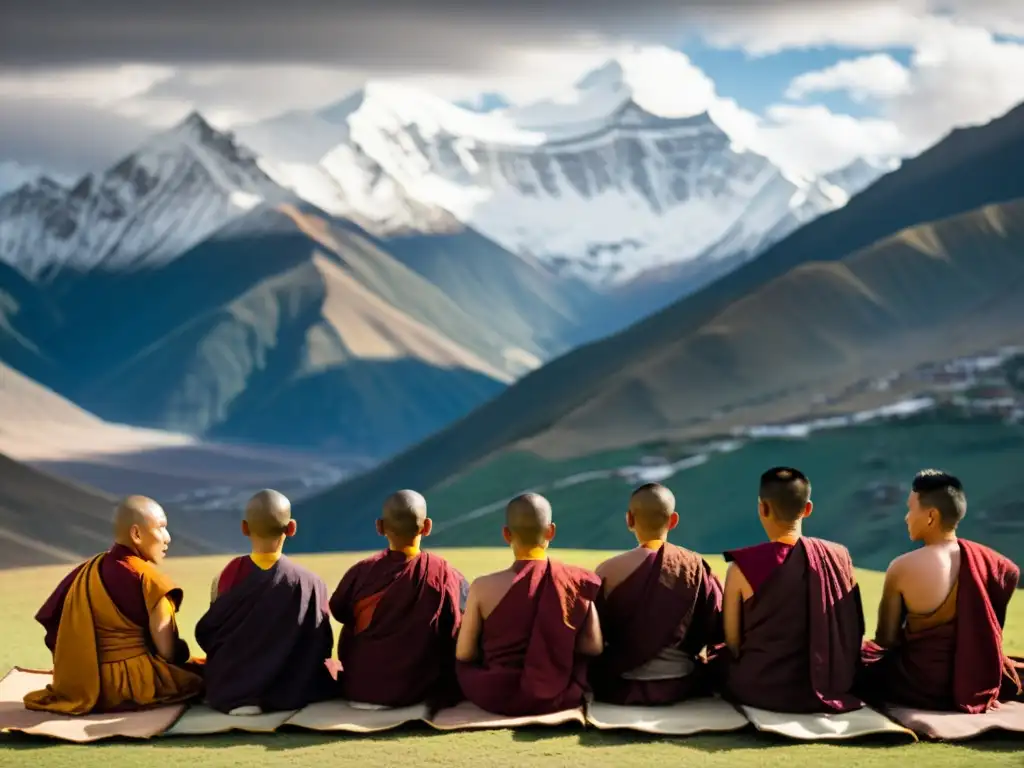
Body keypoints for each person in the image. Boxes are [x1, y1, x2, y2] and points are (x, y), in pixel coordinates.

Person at [859, 470, 1023, 710]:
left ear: (930, 516)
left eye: (911, 509)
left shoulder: (902, 567)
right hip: (979, 678)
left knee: (857, 661)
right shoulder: (995, 563)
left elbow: (886, 640)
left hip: (918, 683)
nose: (906, 518)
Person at [23, 496, 204, 714]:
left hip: (83, 682)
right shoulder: (151, 582)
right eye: (161, 528)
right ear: (136, 534)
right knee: (205, 675)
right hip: (134, 684)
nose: (167, 538)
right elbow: (167, 653)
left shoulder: (89, 570)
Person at [718, 467, 864, 713]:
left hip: (761, 688)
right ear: (808, 509)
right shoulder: (839, 556)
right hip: (834, 684)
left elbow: (732, 641)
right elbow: (854, 628)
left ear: (762, 508)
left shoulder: (742, 568)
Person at [455, 493, 603, 716]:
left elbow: (464, 654)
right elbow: (593, 647)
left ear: (506, 534)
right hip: (559, 693)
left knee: (460, 667)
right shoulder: (575, 581)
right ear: (551, 531)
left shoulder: (483, 587)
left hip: (495, 693)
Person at [195, 490, 336, 715]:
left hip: (229, 688)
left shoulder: (226, 577)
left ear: (244, 527)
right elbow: (321, 643)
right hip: (289, 688)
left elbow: (211, 634)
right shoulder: (310, 582)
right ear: (291, 528)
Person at [329, 490, 468, 709]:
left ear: (380, 527)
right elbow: (458, 623)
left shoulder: (360, 573)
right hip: (416, 689)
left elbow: (338, 611)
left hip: (360, 688)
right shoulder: (445, 574)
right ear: (427, 526)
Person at [590, 483, 724, 705]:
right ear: (673, 520)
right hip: (680, 681)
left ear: (629, 520)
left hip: (619, 682)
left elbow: (593, 636)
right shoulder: (695, 567)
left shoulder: (607, 570)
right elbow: (716, 628)